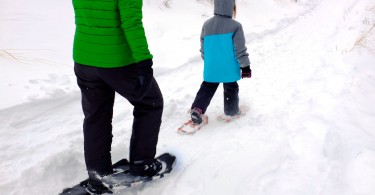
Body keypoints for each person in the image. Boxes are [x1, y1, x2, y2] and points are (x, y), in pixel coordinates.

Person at [72, 0, 163, 193]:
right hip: (116, 59)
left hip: (84, 58)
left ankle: (98, 175)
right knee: (150, 102)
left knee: (96, 117)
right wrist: (144, 62)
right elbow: (131, 22)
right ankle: (142, 164)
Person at [190, 0, 252, 124]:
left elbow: (203, 48)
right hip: (229, 67)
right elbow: (239, 48)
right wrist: (245, 66)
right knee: (231, 88)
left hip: (211, 66)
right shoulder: (235, 26)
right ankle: (231, 111)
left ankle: (197, 109)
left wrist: (208, 61)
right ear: (231, 7)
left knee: (207, 87)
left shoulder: (206, 25)